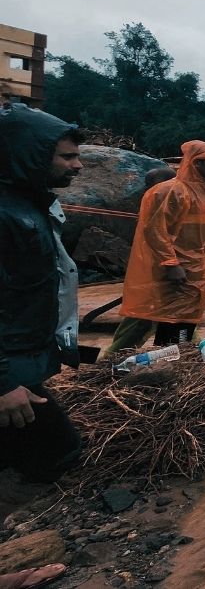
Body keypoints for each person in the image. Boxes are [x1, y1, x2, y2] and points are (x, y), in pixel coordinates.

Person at [0, 104, 88, 483]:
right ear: (29, 155)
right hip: (8, 371)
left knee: (46, 456)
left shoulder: (31, 204)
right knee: (60, 453)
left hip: (22, 362)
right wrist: (3, 383)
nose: (79, 166)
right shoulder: (6, 213)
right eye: (67, 156)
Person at [118, 141, 205, 347]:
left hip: (198, 268)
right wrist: (171, 263)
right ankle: (110, 363)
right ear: (197, 163)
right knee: (145, 316)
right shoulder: (169, 192)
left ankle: (176, 359)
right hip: (168, 269)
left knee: (186, 317)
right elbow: (154, 230)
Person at [104, 167, 178, 357]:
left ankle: (111, 359)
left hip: (163, 278)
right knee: (146, 320)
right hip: (155, 278)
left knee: (160, 320)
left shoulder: (172, 204)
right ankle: (110, 360)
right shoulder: (154, 205)